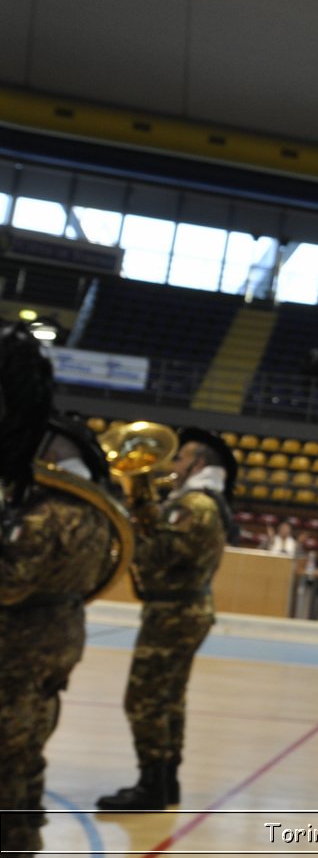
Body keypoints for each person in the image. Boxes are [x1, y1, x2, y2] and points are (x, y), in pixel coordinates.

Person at [0, 326, 119, 856]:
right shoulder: (89, 509)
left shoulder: (52, 514)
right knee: (24, 763)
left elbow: (7, 583)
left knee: (11, 764)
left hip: (20, 650)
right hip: (50, 643)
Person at [97, 426, 235, 811]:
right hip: (181, 609)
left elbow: (158, 555)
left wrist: (141, 512)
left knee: (144, 700)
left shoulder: (193, 505)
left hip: (175, 612)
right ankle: (164, 782)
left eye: (180, 457)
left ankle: (151, 785)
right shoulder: (199, 502)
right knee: (168, 699)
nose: (172, 464)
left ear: (199, 462)